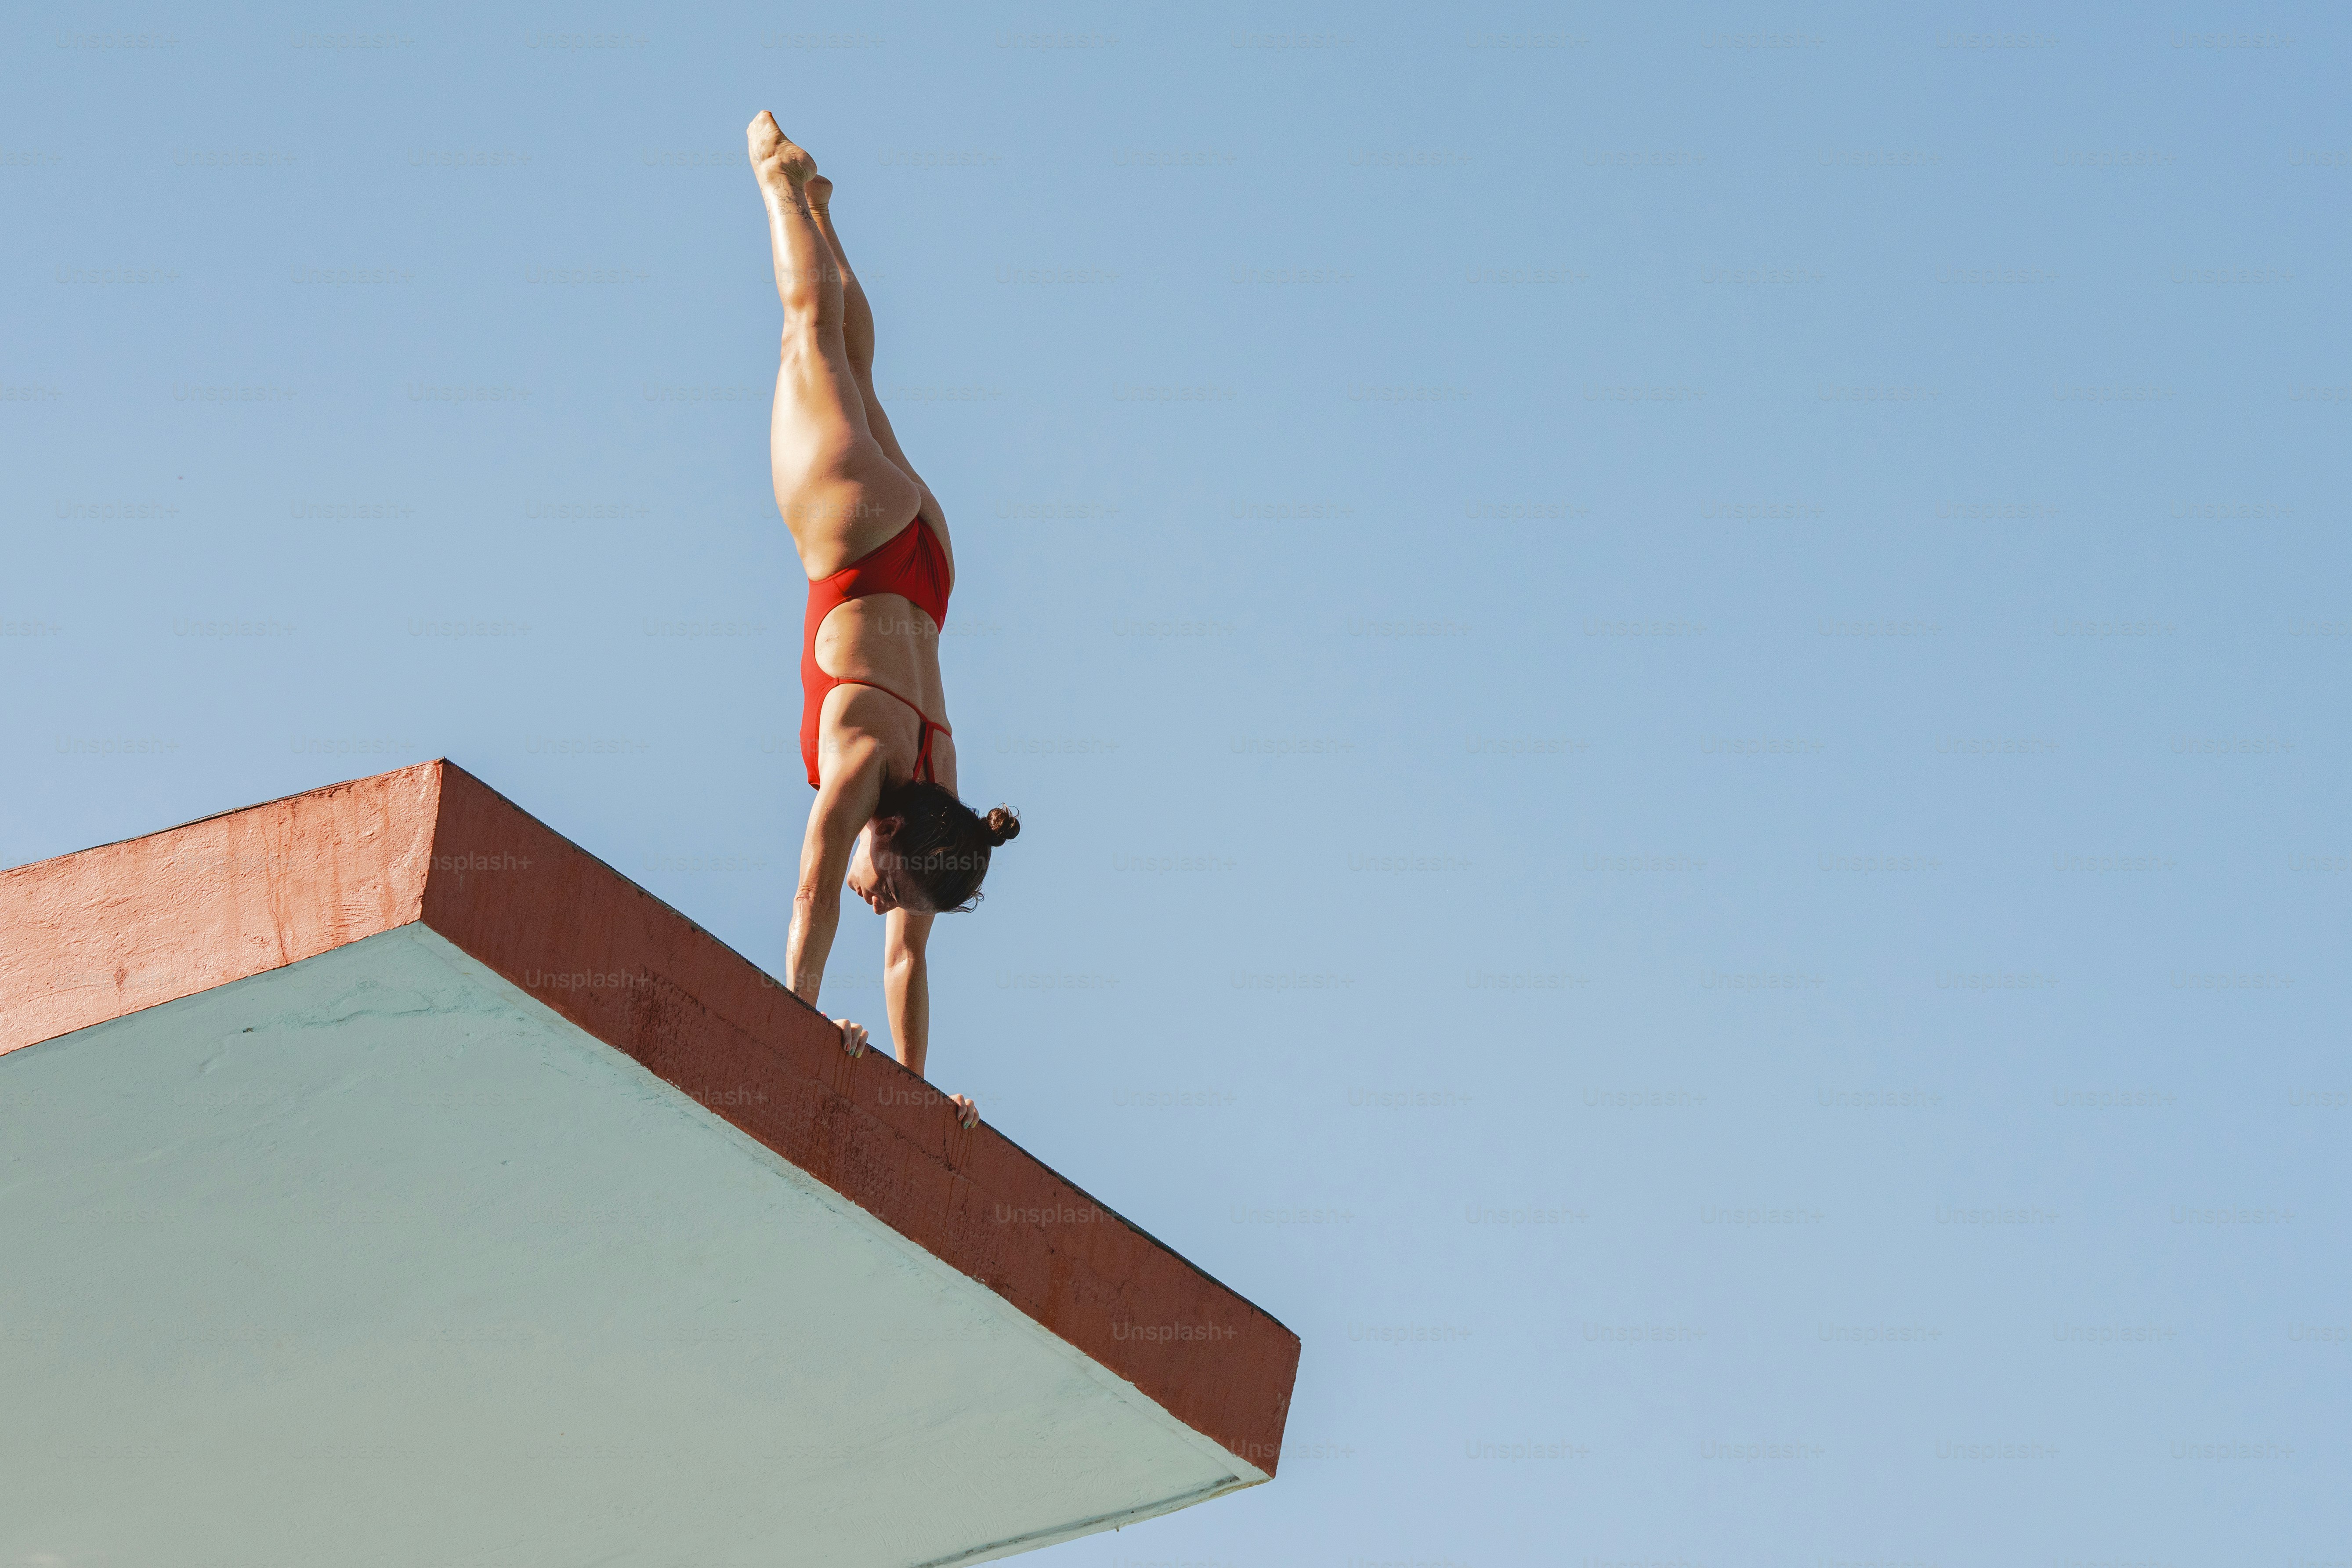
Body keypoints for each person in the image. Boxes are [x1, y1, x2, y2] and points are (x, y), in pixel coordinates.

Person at [749, 111, 1016, 1130]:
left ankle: (821, 210)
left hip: (928, 563)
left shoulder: (942, 809)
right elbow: (815, 892)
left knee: (857, 376)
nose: (884, 901)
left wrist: (915, 1094)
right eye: (891, 885)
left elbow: (906, 958)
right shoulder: (865, 769)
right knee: (806, 340)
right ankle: (779, 182)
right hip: (854, 535)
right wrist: (793, 1021)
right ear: (891, 830)